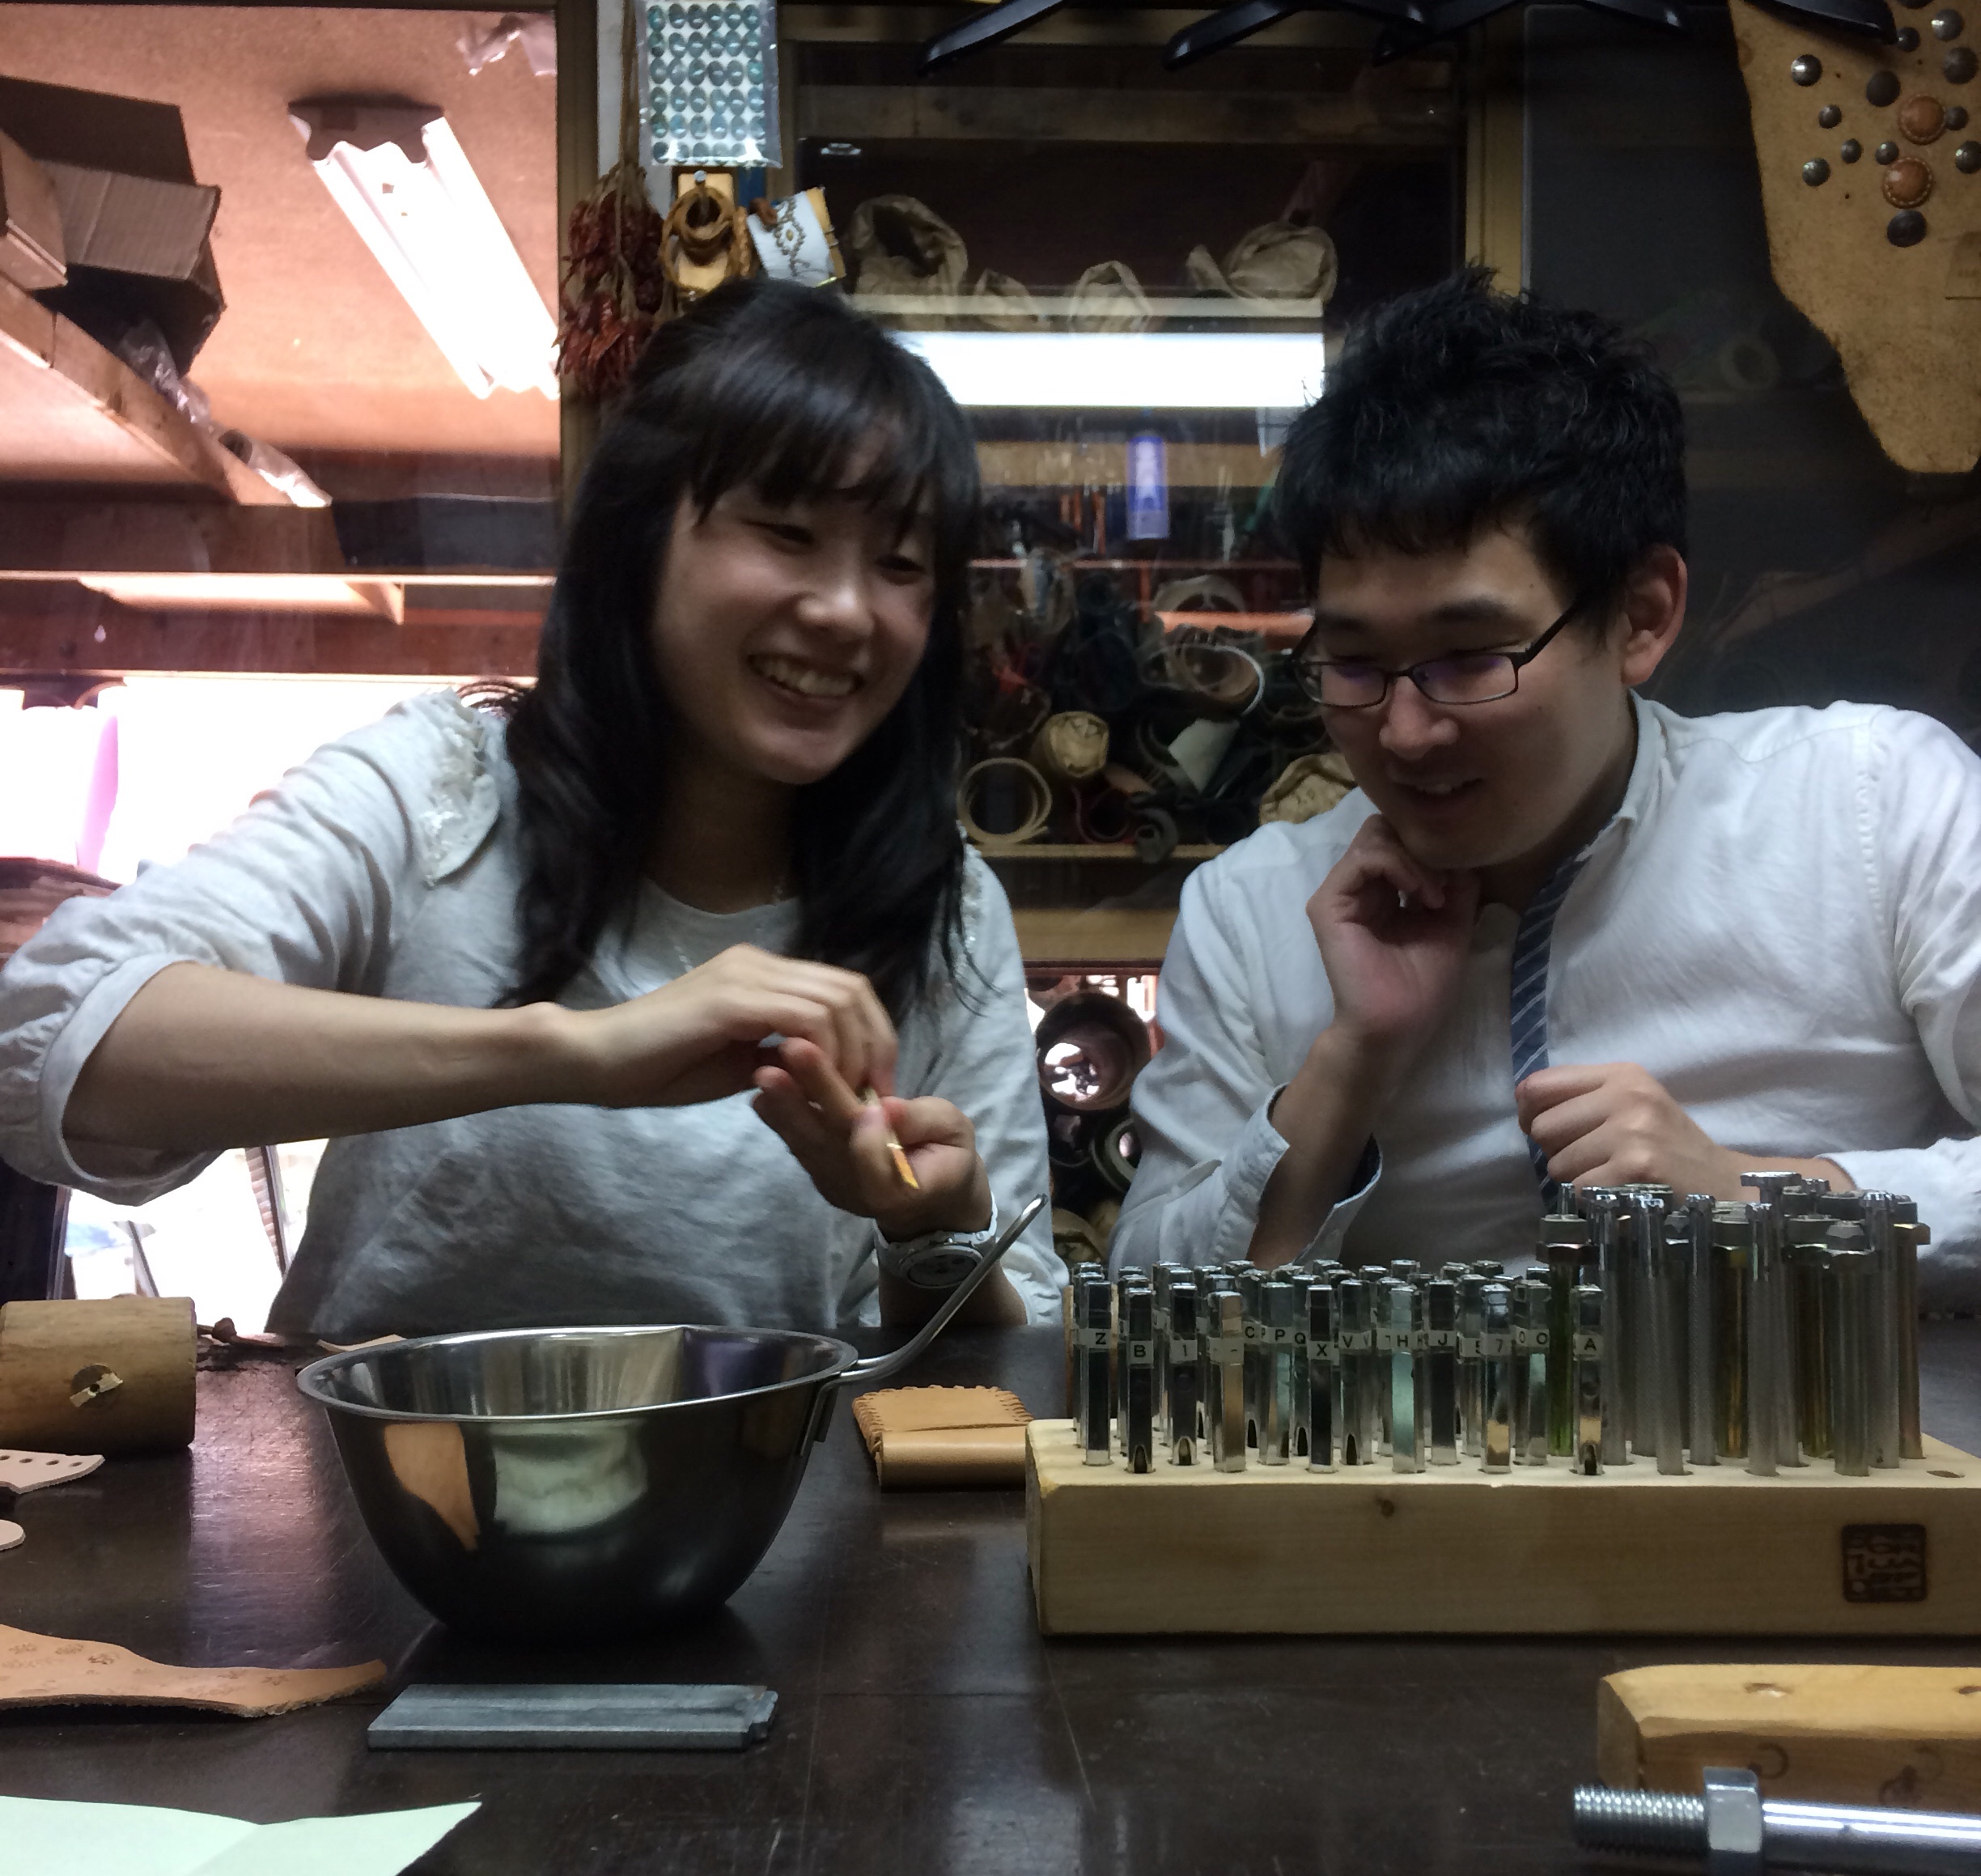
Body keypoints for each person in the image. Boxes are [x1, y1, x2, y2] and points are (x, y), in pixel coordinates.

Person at [0, 281, 1061, 1339]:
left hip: (766, 1455)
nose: (845, 610)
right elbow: (45, 1033)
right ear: (639, 541)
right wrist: (571, 1053)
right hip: (386, 1450)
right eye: (787, 533)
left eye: (900, 564)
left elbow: (1022, 1345)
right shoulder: (443, 786)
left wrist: (931, 1229)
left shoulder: (947, 905)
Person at [1113, 269, 1981, 1302]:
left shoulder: (1874, 804)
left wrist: (1757, 1201)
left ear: (1642, 616)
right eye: (1353, 661)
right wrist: (1351, 1062)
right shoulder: (1254, 911)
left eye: (1470, 657)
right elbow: (1142, 1306)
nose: (1405, 732)